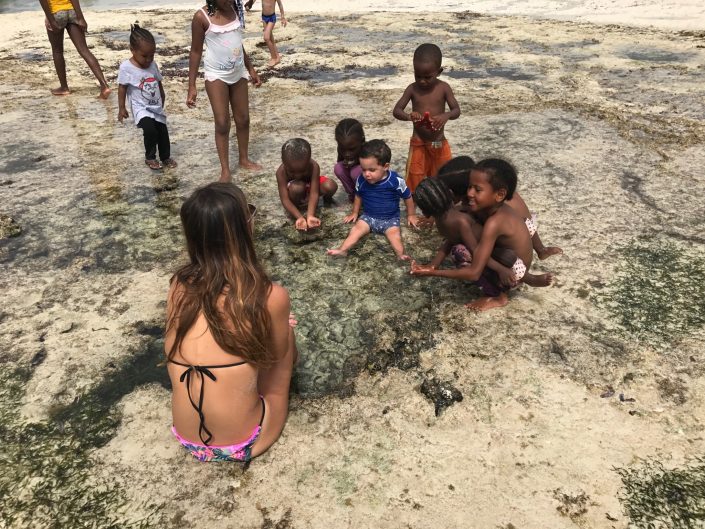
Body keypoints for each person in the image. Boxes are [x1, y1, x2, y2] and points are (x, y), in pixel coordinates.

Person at [166, 182, 297, 462]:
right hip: (243, 444)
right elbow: (273, 359)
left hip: (186, 437)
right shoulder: (270, 295)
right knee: (285, 336)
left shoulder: (178, 284)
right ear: (245, 228)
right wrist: (280, 325)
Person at [411, 159, 552, 311]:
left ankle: (497, 296)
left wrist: (434, 272)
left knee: (460, 251)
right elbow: (454, 236)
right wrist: (434, 264)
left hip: (511, 274)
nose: (470, 193)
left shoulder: (493, 222)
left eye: (477, 190)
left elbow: (474, 272)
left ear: (499, 195)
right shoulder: (482, 207)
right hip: (510, 260)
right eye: (469, 187)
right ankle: (530, 271)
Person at [187, 0, 262, 183]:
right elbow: (195, 51)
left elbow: (238, 43)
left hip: (238, 72)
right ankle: (225, 170)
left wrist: (251, 68)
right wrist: (192, 85)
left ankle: (244, 159)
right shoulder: (201, 17)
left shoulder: (235, 8)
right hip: (216, 76)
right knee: (222, 123)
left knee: (243, 119)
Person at [437, 157, 563, 260]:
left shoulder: (492, 205)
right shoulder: (489, 190)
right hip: (518, 231)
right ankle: (541, 250)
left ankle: (540, 250)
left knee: (461, 244)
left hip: (514, 251)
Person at [327, 139, 419, 259]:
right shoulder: (361, 180)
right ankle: (342, 250)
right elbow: (358, 195)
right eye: (363, 169)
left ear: (385, 166)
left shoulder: (395, 181)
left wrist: (411, 215)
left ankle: (400, 255)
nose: (367, 174)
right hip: (368, 217)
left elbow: (407, 196)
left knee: (395, 236)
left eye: (372, 170)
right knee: (356, 230)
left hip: (390, 220)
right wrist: (354, 212)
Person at [392, 43, 460, 193]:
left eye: (428, 77)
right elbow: (397, 111)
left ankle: (441, 201)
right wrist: (409, 116)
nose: (422, 81)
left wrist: (446, 115)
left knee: (443, 176)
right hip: (419, 142)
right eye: (418, 76)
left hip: (438, 142)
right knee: (414, 178)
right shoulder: (412, 89)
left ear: (439, 72)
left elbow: (456, 110)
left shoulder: (443, 88)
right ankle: (414, 203)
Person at [117, 24, 177, 171]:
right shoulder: (126, 68)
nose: (149, 59)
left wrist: (162, 95)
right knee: (150, 130)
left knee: (162, 131)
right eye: (144, 56)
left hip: (155, 105)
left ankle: (165, 157)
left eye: (152, 55)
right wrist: (121, 108)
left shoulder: (152, 65)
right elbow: (122, 87)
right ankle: (150, 157)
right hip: (141, 108)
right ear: (132, 50)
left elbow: (158, 81)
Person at [38, 0, 111, 99]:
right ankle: (104, 86)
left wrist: (51, 20)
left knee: (57, 51)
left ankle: (64, 88)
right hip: (72, 11)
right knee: (84, 50)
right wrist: (80, 18)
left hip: (56, 13)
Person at [276, 138, 337, 231]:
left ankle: (325, 201)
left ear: (309, 161)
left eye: (303, 171)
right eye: (292, 172)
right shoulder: (281, 172)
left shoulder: (314, 166)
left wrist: (310, 215)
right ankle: (297, 207)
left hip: (309, 186)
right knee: (297, 188)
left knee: (330, 185)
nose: (298, 175)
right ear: (284, 163)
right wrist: (299, 217)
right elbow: (285, 199)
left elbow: (314, 193)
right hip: (295, 189)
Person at [333, 118, 365, 203]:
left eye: (352, 149)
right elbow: (339, 162)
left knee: (355, 172)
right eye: (343, 149)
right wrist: (345, 164)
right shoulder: (341, 149)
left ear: (362, 141)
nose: (347, 154)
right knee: (338, 168)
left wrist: (357, 162)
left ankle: (365, 195)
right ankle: (353, 194)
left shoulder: (367, 149)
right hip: (355, 182)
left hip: (370, 183)